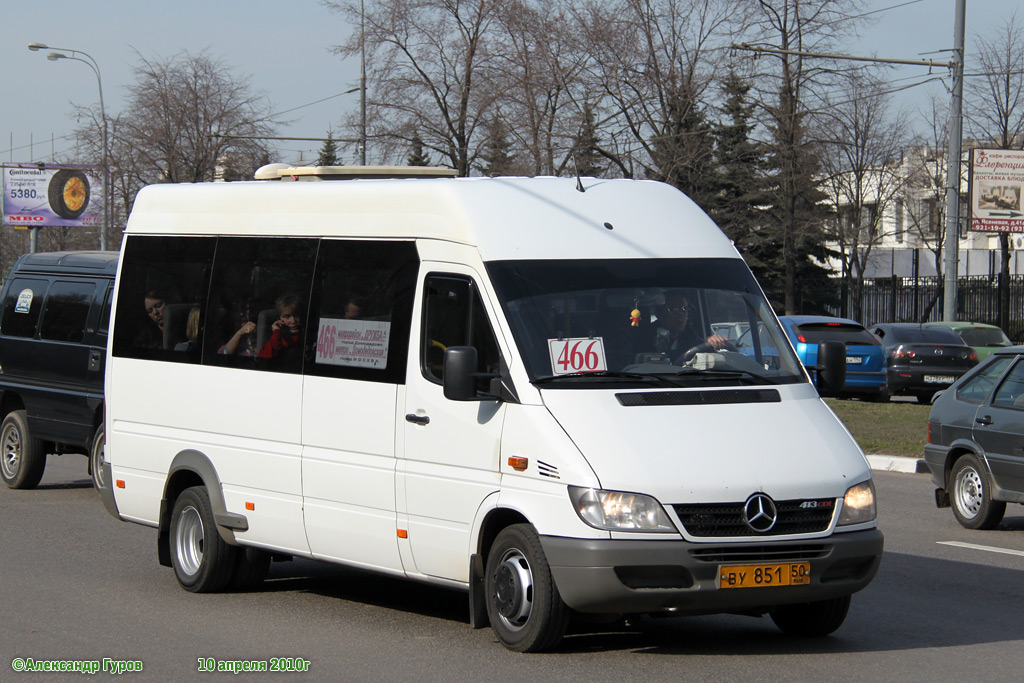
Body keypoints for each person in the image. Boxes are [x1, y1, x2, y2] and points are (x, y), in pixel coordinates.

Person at [653, 289, 728, 359]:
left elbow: (701, 345)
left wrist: (711, 341)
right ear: (658, 313)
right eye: (673, 309)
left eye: (684, 309)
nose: (681, 314)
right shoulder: (646, 336)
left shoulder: (689, 335)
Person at [258, 293, 304, 365]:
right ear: (279, 318)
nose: (293, 321)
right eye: (287, 317)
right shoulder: (278, 337)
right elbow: (263, 360)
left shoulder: (307, 335)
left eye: (296, 315)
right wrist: (277, 332)